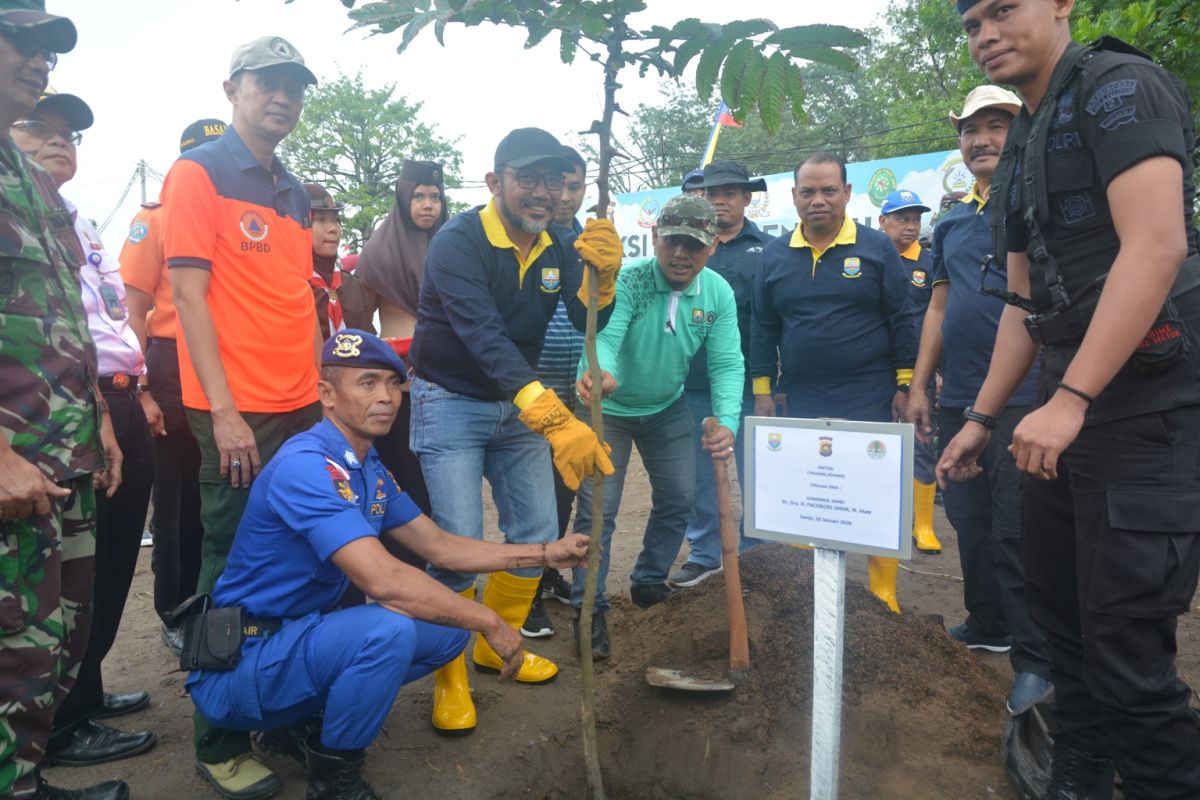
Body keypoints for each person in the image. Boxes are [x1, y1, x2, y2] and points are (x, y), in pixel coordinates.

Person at [942, 0, 1200, 796]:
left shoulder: (1120, 86)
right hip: (1062, 408)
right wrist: (983, 417)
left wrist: (1074, 396)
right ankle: (1079, 779)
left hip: (1149, 411)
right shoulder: (1020, 138)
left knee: (1127, 654)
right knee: (1064, 633)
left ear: (1061, 4)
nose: (984, 31)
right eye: (970, 23)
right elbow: (1025, 303)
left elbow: (1157, 244)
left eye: (1001, 10)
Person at [188, 330, 590, 800]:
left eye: (393, 384)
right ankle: (336, 783)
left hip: (293, 643)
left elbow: (439, 546)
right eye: (367, 383)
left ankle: (299, 722)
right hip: (242, 664)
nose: (385, 397)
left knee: (447, 634)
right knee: (389, 629)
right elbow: (385, 581)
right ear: (327, 395)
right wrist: (490, 621)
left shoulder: (366, 466)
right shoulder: (308, 466)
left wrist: (544, 554)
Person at [407, 127, 619, 735]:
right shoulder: (458, 243)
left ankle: (490, 645)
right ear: (496, 182)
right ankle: (448, 679)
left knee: (536, 532)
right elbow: (485, 339)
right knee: (457, 545)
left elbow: (586, 319)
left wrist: (602, 277)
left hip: (517, 402)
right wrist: (554, 417)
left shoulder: (558, 241)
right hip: (449, 399)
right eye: (528, 178)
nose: (542, 192)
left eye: (553, 180)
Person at [160, 35, 322, 800]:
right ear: (233, 88)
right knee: (229, 567)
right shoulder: (199, 172)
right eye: (268, 82)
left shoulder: (291, 190)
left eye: (294, 84)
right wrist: (222, 413)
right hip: (238, 412)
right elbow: (189, 298)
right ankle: (218, 738)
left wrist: (324, 396)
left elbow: (296, 304)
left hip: (302, 408)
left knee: (307, 558)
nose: (282, 96)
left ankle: (280, 707)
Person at [10, 86, 160, 768]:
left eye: (69, 132)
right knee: (38, 598)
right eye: (37, 126)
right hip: (37, 422)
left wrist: (119, 407)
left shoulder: (77, 223)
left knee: (96, 569)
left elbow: (93, 329)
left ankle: (82, 695)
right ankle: (57, 727)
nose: (58, 139)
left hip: (105, 402)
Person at [0, 5, 127, 798]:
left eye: (52, 49)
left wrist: (103, 422)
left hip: (62, 452)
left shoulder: (24, 175)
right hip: (12, 461)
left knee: (49, 643)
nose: (43, 61)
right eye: (25, 41)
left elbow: (65, 314)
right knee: (9, 644)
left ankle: (28, 777)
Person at [906, 85, 1052, 718]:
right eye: (970, 130)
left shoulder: (1040, 204)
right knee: (968, 520)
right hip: (957, 397)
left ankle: (1038, 660)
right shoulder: (953, 220)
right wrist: (918, 384)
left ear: (1021, 133)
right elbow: (939, 307)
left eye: (997, 125)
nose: (981, 140)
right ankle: (988, 621)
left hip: (1024, 398)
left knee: (1020, 529)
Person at [572, 194, 742, 658]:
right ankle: (589, 608)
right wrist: (602, 372)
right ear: (654, 238)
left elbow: (727, 363)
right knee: (597, 510)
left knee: (678, 498)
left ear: (712, 247)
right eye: (672, 242)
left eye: (694, 245)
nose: (681, 254)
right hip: (611, 410)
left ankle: (648, 580)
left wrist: (727, 420)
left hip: (668, 407)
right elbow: (606, 334)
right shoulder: (630, 282)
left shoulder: (717, 293)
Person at [750, 152, 916, 613]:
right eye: (808, 192)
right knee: (808, 492)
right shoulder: (774, 255)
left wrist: (905, 384)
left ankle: (883, 594)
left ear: (847, 193)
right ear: (794, 197)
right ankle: (813, 594)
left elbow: (902, 317)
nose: (818, 200)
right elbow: (763, 327)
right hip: (802, 395)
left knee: (875, 491)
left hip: (870, 392)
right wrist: (762, 389)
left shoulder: (876, 247)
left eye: (828, 191)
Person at [121, 118, 226, 656]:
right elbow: (134, 308)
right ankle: (175, 609)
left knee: (220, 488)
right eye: (201, 153)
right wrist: (140, 386)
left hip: (229, 361)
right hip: (168, 362)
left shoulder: (233, 213)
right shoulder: (155, 218)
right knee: (176, 492)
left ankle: (218, 602)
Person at [669, 160, 771, 590]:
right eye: (712, 193)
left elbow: (770, 321)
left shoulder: (768, 250)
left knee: (755, 472)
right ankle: (706, 552)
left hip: (747, 384)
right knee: (695, 474)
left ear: (747, 198)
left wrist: (767, 384)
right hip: (689, 383)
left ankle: (754, 556)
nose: (720, 200)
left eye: (730, 192)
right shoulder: (681, 249)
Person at [352, 159, 450, 522]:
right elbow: (360, 324)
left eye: (436, 197)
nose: (428, 205)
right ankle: (405, 565)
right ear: (403, 197)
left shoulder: (455, 247)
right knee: (406, 480)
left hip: (449, 382)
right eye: (420, 196)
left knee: (447, 481)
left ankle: (449, 565)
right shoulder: (379, 252)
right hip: (402, 387)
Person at [521, 145, 588, 640]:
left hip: (576, 388)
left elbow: (602, 319)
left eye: (576, 186)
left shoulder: (592, 244)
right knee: (530, 496)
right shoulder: (532, 239)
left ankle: (546, 573)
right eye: (558, 185)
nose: (565, 197)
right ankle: (522, 594)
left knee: (564, 489)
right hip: (530, 390)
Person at [877, 188, 941, 555]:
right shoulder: (872, 258)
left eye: (915, 219)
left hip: (920, 371)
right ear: (882, 221)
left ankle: (924, 525)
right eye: (902, 218)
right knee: (876, 442)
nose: (911, 226)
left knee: (921, 440)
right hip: (878, 369)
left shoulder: (929, 263)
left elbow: (942, 316)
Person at [306, 182, 372, 338]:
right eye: (321, 219)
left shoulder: (353, 285)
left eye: (335, 220)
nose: (333, 228)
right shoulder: (292, 286)